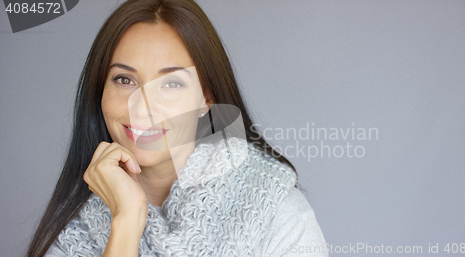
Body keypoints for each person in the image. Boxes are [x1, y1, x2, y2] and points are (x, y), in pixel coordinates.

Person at [26, 0, 327, 256]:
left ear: (206, 99)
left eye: (171, 83)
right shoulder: (70, 234)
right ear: (99, 91)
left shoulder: (275, 211)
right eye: (125, 80)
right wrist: (127, 222)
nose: (143, 107)